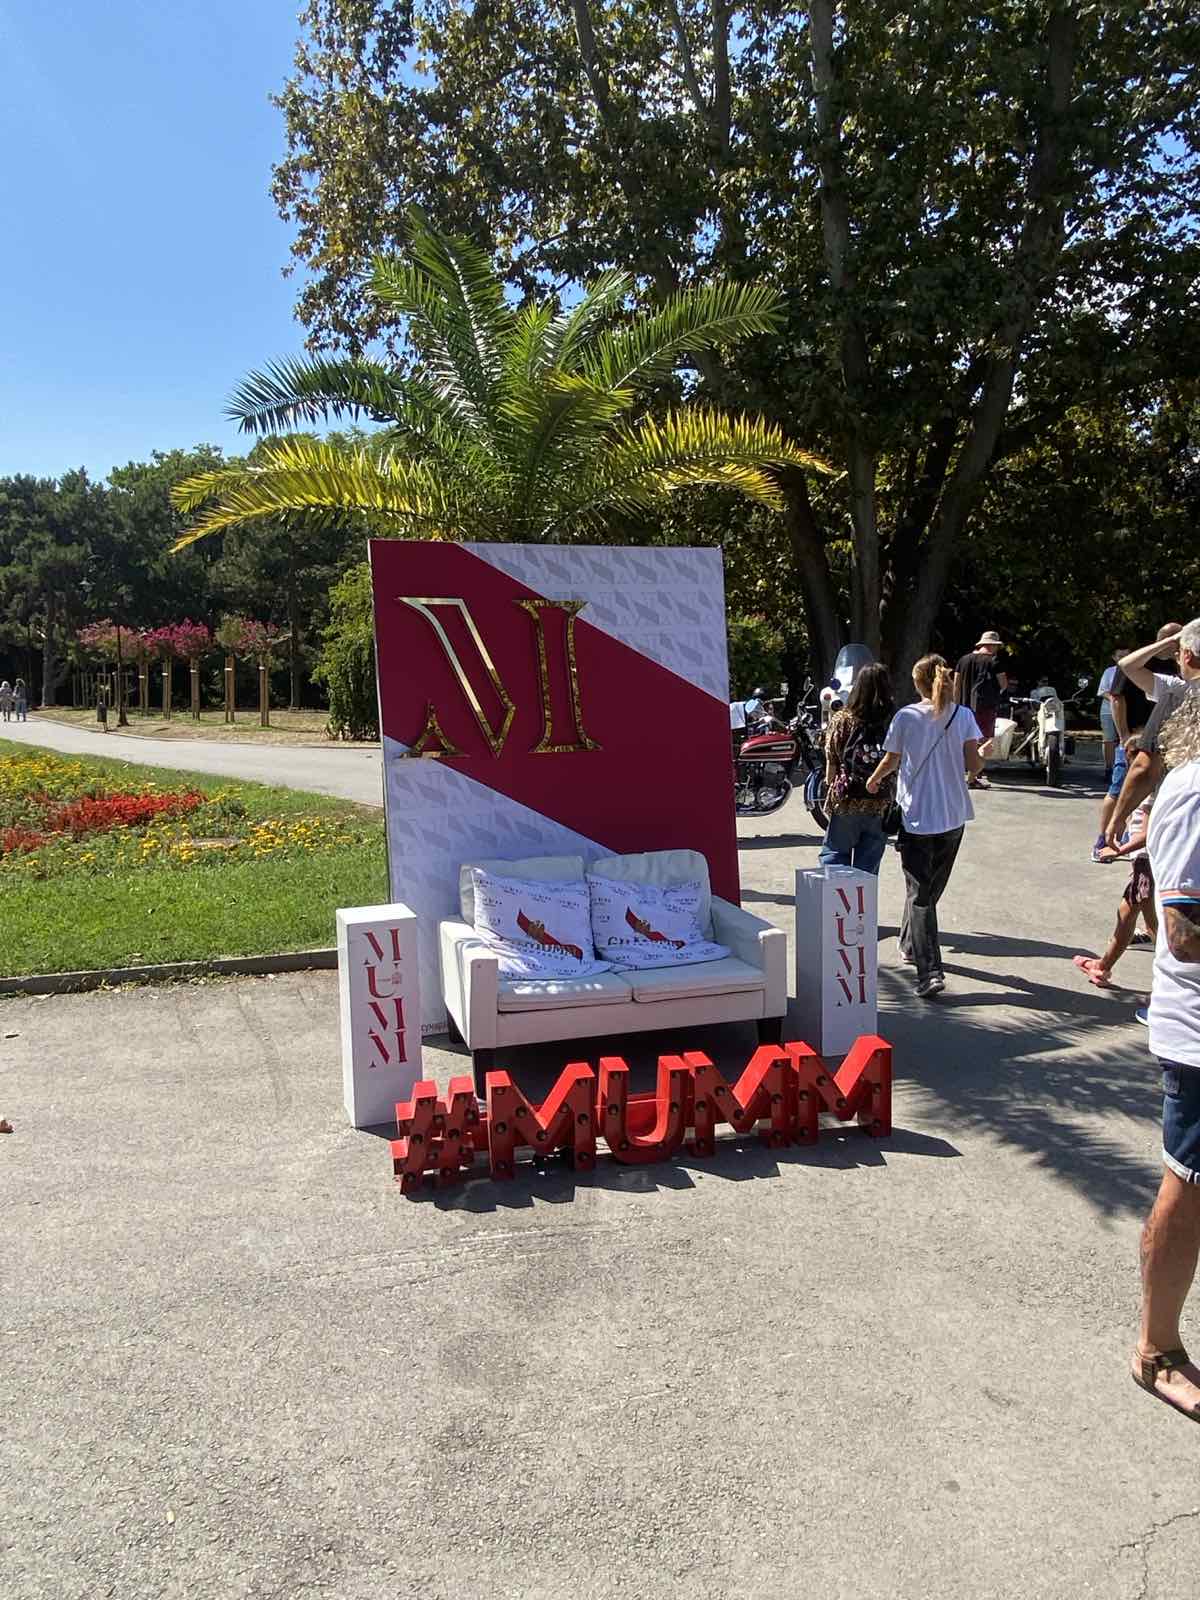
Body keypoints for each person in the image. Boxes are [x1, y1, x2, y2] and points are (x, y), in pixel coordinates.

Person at [1130, 691, 1200, 1424]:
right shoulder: (1197, 789)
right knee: (1189, 1184)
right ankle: (1158, 1350)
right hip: (1198, 1037)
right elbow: (1181, 931)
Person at [866, 654, 983, 997]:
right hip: (954, 815)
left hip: (917, 816)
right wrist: (983, 756)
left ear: (918, 683)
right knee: (928, 893)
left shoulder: (906, 716)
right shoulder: (964, 715)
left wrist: (873, 781)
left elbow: (892, 759)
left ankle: (929, 972)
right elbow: (975, 766)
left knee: (920, 896)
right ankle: (910, 944)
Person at [1106, 621, 1200, 851]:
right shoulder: (1176, 686)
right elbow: (1127, 665)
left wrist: (1118, 819)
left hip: (1181, 809)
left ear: (1187, 655)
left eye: (1179, 652)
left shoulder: (1177, 693)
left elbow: (1144, 768)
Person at [819, 662, 896, 876]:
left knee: (835, 854)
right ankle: (864, 897)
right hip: (880, 799)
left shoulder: (842, 718)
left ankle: (836, 896)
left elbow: (832, 759)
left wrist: (829, 785)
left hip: (848, 798)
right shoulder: (892, 719)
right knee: (868, 866)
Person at [1072, 797, 1157, 987]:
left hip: (1147, 860)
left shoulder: (1153, 792)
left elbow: (1148, 833)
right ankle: (1102, 967)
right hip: (1143, 860)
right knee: (1126, 911)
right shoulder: (1149, 792)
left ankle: (1172, 982)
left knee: (1156, 927)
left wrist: (1120, 850)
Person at [953, 630, 1006, 789]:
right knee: (984, 743)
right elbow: (1003, 684)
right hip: (985, 707)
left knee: (965, 740)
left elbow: (956, 684)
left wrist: (955, 705)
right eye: (996, 646)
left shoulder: (963, 660)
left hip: (963, 707)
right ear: (991, 645)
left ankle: (960, 775)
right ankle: (971, 778)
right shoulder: (994, 662)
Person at [1098, 647, 1129, 780]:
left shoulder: (1135, 670)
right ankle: (1108, 768)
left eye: (1126, 655)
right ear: (1114, 658)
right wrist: (1115, 700)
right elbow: (1103, 691)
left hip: (1128, 709)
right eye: (1120, 656)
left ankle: (1126, 769)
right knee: (1109, 739)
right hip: (1108, 709)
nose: (1123, 658)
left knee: (1127, 738)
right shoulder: (1109, 672)